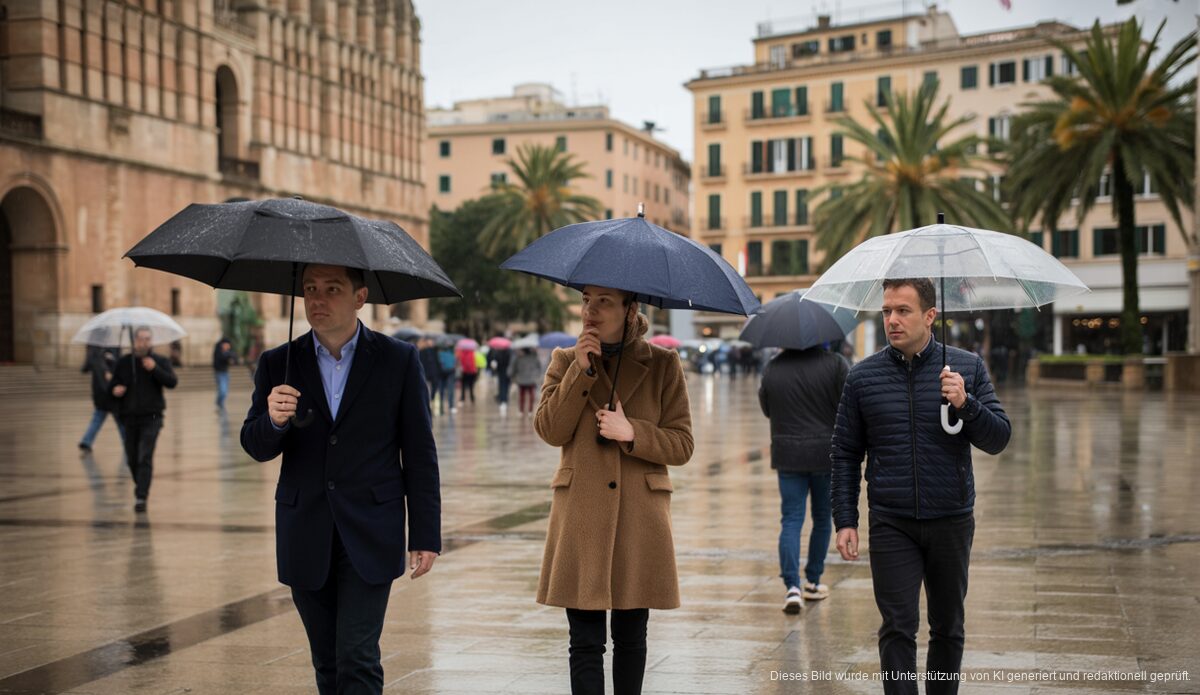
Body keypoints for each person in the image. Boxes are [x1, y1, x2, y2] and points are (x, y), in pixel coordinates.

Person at [241, 264, 441, 695]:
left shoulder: (398, 360)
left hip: (372, 529)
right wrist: (273, 421)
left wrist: (426, 534)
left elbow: (420, 452)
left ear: (359, 297)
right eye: (310, 289)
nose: (317, 299)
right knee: (328, 662)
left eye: (332, 289)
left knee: (357, 657)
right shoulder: (278, 363)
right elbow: (255, 445)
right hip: (304, 530)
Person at [831, 278, 1011, 694]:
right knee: (897, 627)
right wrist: (845, 519)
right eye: (887, 311)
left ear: (931, 316)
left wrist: (967, 404)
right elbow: (844, 452)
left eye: (903, 311)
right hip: (892, 521)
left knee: (948, 626)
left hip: (951, 518)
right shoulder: (862, 377)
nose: (892, 320)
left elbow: (999, 438)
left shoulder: (966, 368)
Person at [535, 285, 694, 695]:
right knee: (584, 642)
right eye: (587, 299)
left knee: (631, 637)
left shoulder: (663, 364)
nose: (590, 310)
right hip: (582, 516)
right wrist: (582, 371)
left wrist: (632, 433)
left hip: (638, 519)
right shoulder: (565, 361)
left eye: (604, 301)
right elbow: (550, 429)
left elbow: (682, 444)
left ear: (630, 309)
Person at [758, 345, 848, 614]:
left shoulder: (773, 366)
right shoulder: (835, 364)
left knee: (791, 519)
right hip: (824, 452)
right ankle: (813, 580)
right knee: (822, 518)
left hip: (788, 453)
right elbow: (848, 402)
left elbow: (766, 407)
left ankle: (792, 587)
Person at [109, 327, 178, 512]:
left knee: (144, 455)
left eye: (148, 339)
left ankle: (141, 496)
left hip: (152, 417)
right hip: (129, 417)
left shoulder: (159, 361)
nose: (144, 342)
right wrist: (115, 389)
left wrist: (154, 369)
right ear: (135, 341)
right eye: (141, 339)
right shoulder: (124, 362)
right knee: (132, 458)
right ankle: (141, 484)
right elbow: (113, 383)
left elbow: (172, 382)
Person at [79, 345, 124, 451]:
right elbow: (118, 366)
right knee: (120, 419)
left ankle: (86, 440)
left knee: (98, 417)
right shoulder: (113, 347)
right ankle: (128, 441)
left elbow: (85, 368)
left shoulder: (94, 350)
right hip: (109, 391)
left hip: (99, 392)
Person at [509, 347, 542, 416]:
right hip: (531, 380)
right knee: (531, 395)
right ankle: (530, 410)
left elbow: (514, 369)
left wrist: (512, 376)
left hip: (521, 380)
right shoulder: (534, 358)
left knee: (522, 395)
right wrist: (537, 375)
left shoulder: (518, 358)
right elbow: (539, 367)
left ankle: (521, 410)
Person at [212, 337, 237, 410]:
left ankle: (220, 403)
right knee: (222, 390)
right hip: (219, 373)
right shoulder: (218, 352)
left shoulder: (228, 352)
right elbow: (222, 358)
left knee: (225, 391)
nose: (228, 346)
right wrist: (227, 354)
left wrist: (229, 356)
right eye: (226, 345)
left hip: (225, 373)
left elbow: (234, 358)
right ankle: (219, 403)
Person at [418, 338, 442, 411]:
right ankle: (427, 401)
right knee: (425, 387)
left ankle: (431, 399)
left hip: (433, 372)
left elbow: (437, 361)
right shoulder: (421, 351)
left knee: (435, 386)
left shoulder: (434, 350)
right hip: (425, 372)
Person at [437, 342, 457, 414]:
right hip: (451, 372)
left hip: (441, 373)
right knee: (450, 389)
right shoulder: (452, 354)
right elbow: (455, 363)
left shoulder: (439, 354)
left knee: (441, 390)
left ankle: (441, 407)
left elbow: (439, 363)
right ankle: (451, 406)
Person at [491, 345, 513, 412]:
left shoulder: (497, 353)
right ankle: (505, 399)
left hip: (501, 372)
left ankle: (502, 400)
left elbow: (495, 363)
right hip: (508, 372)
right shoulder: (510, 352)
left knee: (501, 386)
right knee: (506, 386)